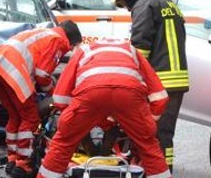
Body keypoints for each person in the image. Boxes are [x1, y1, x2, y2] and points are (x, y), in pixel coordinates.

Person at [36, 38, 172, 178]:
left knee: (62, 144)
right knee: (149, 147)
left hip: (91, 94)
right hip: (129, 95)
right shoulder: (132, 51)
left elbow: (60, 97)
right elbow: (160, 98)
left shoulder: (84, 50)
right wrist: (146, 124)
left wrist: (70, 121)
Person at [0, 21, 83, 178]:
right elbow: (42, 74)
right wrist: (53, 92)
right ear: (71, 40)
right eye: (71, 48)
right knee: (30, 118)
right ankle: (23, 165)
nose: (67, 50)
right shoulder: (58, 40)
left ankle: (12, 159)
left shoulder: (43, 32)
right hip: (14, 69)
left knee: (16, 116)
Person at [114, 0, 188, 169]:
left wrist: (127, 77)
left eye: (124, 4)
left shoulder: (143, 6)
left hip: (159, 81)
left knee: (153, 132)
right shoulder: (168, 5)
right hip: (177, 80)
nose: (126, 8)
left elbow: (140, 48)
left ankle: (159, 172)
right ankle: (163, 169)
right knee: (165, 132)